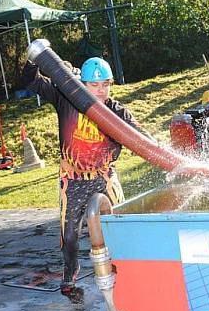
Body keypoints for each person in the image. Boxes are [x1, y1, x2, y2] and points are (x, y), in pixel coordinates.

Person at [21, 57, 145, 295]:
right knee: (69, 236)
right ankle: (71, 269)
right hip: (74, 179)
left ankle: (126, 271)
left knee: (118, 229)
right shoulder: (66, 99)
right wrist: (33, 59)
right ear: (81, 85)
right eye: (94, 85)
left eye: (106, 85)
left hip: (103, 177)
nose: (101, 91)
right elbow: (31, 81)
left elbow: (141, 137)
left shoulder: (116, 111)